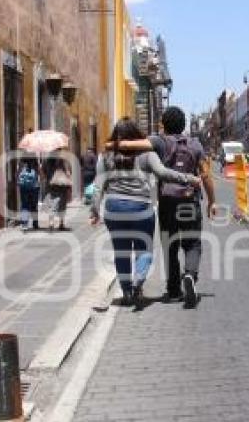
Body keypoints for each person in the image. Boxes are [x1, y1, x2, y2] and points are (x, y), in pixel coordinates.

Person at [90, 118, 201, 309]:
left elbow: (98, 186)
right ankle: (137, 283)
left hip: (114, 208)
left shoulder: (105, 155)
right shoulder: (146, 154)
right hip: (141, 209)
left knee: (121, 252)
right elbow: (164, 173)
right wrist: (188, 178)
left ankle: (126, 292)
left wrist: (94, 210)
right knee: (145, 250)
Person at [154, 107, 216, 308]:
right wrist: (212, 201)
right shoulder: (195, 145)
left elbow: (138, 145)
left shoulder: (159, 142)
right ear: (183, 125)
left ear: (164, 124)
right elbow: (205, 175)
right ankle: (189, 274)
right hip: (189, 200)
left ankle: (173, 291)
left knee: (169, 245)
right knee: (192, 243)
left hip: (166, 201)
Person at [42, 152, 72, 231]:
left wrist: (49, 177)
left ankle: (51, 223)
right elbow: (68, 172)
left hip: (50, 185)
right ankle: (61, 223)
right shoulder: (63, 160)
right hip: (61, 186)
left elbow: (43, 172)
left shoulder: (46, 160)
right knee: (62, 204)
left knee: (51, 204)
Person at [18, 158, 40, 230]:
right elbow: (40, 173)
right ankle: (35, 223)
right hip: (34, 187)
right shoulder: (35, 162)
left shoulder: (21, 161)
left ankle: (24, 224)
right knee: (34, 206)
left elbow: (18, 173)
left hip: (24, 187)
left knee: (25, 205)